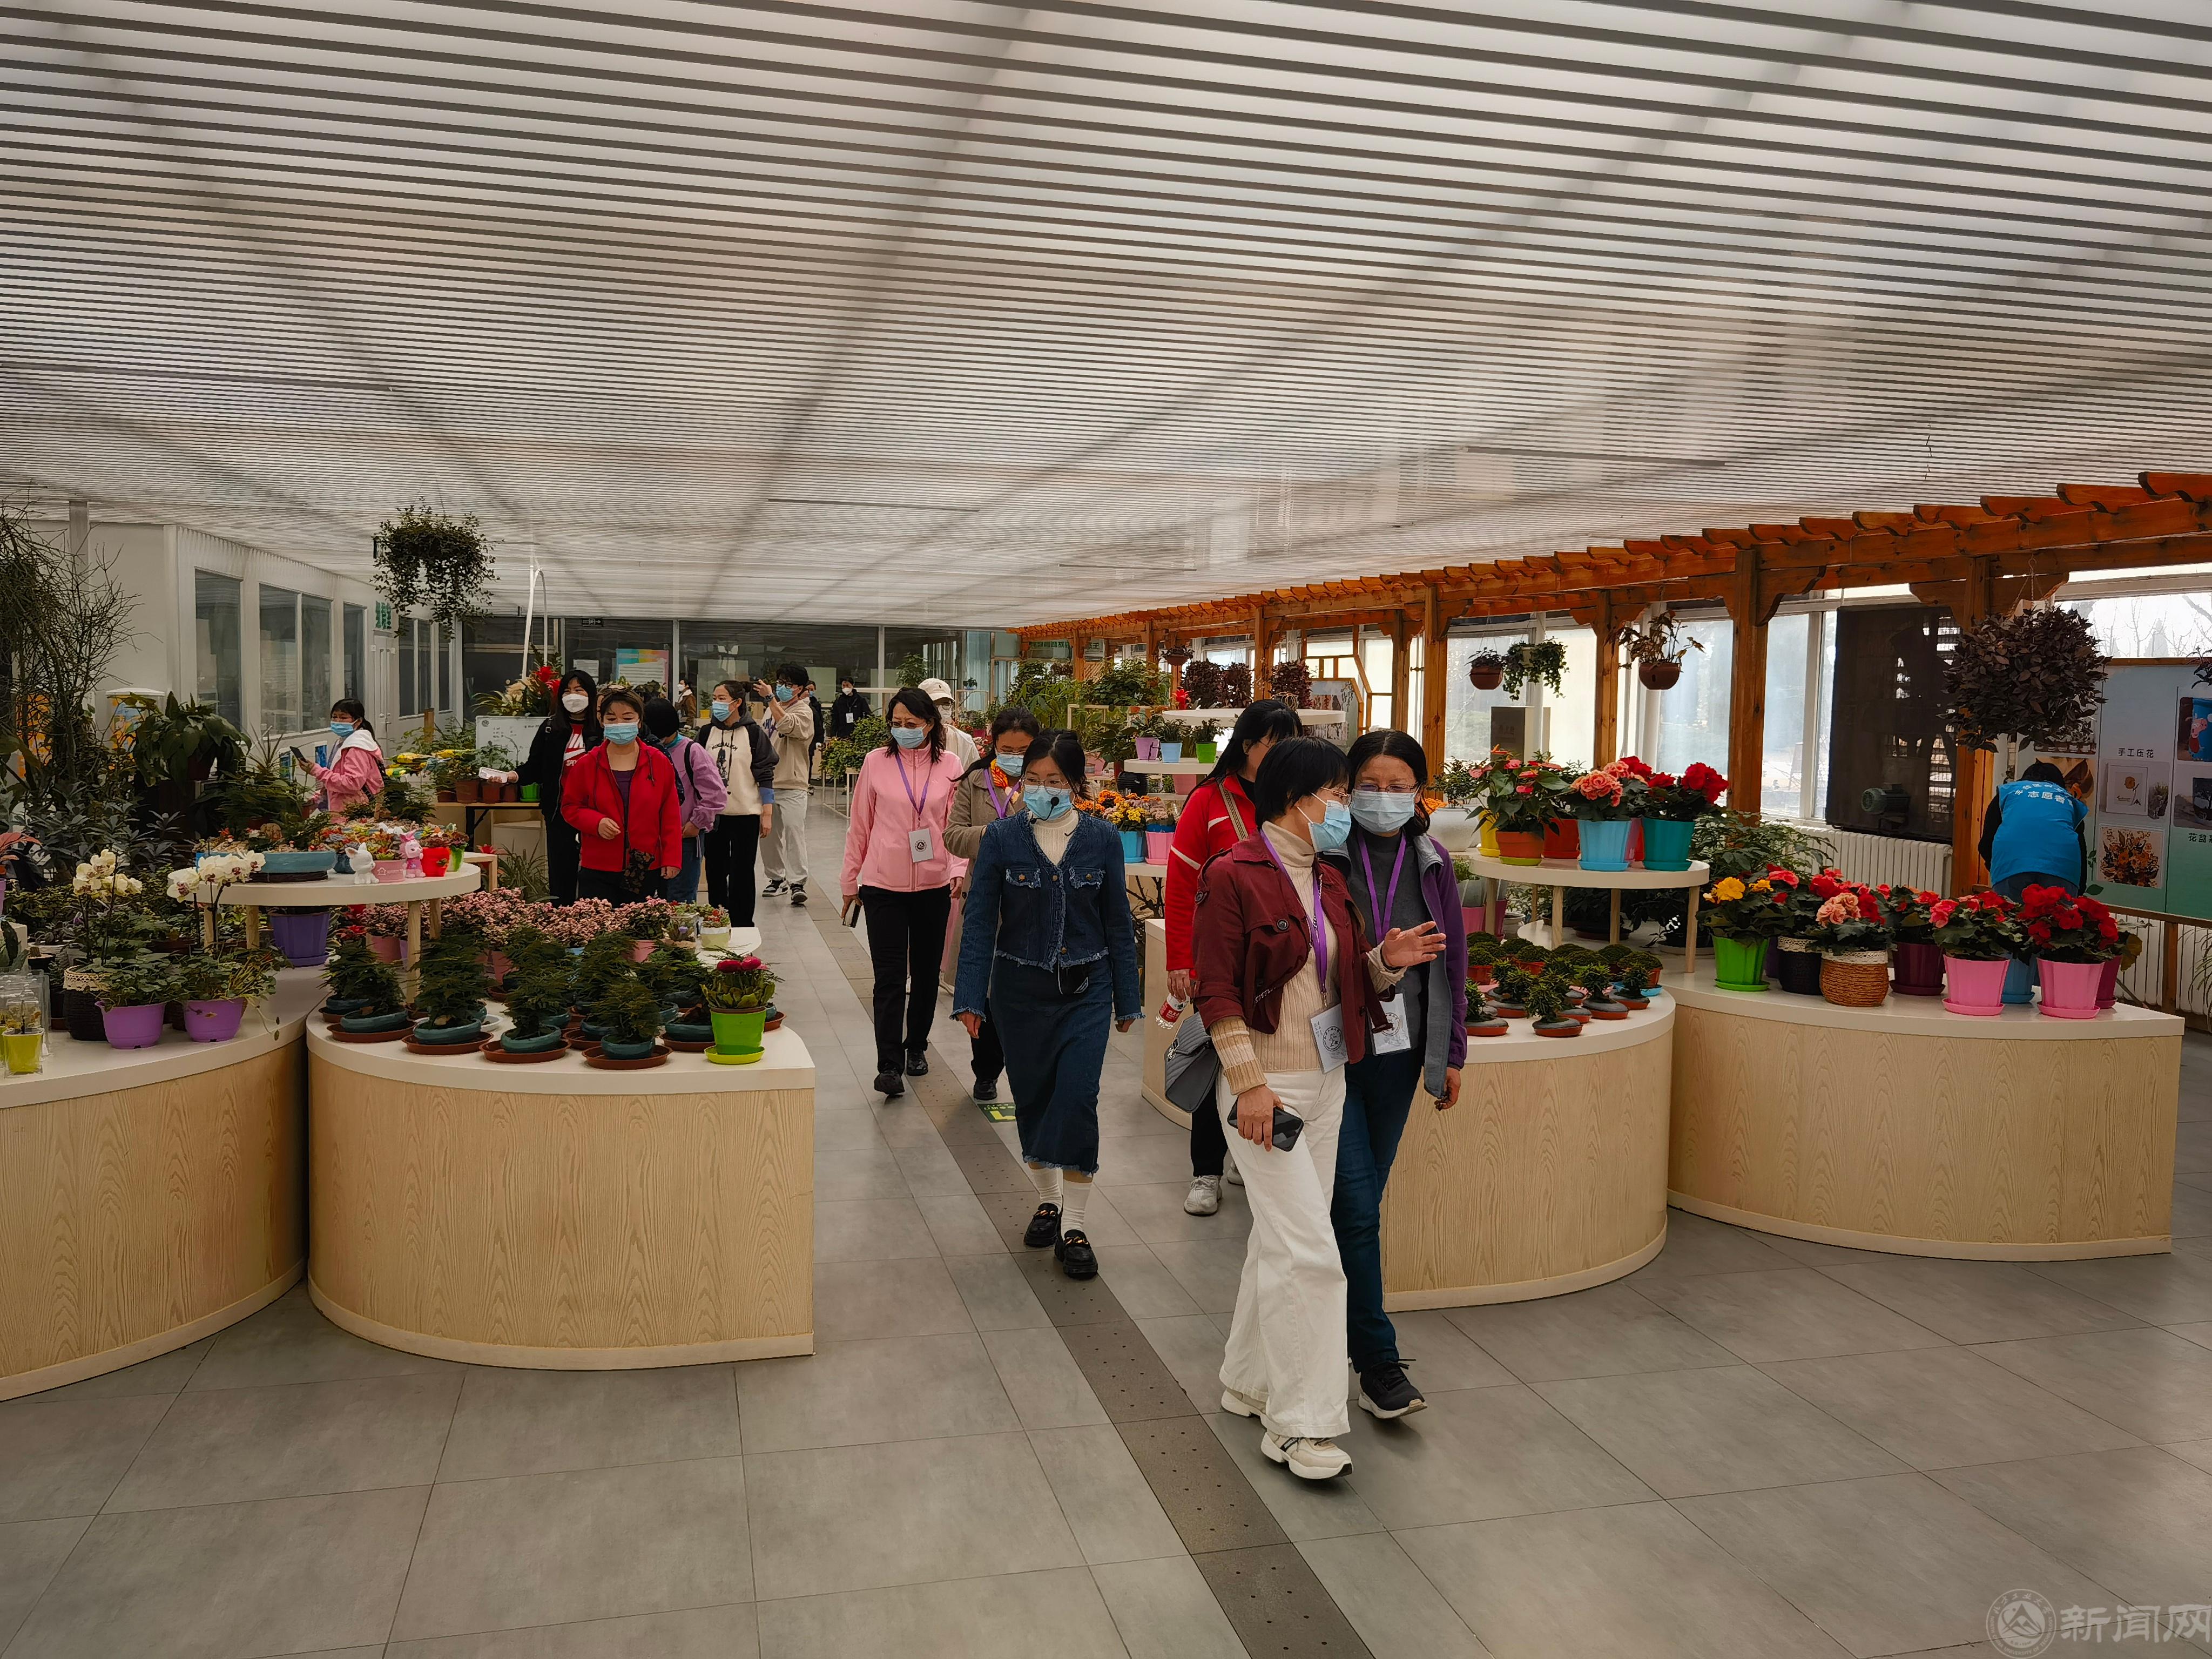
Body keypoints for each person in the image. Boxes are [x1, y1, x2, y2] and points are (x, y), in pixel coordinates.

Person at [1192, 737, 1444, 1480]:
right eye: (1335, 793)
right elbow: (1216, 991)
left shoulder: (1327, 877)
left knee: (1280, 1243)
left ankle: (1247, 1382)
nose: (1345, 806)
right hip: (1265, 1091)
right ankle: (1300, 1426)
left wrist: (1384, 962)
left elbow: (1337, 984)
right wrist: (1248, 1085)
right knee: (1311, 1253)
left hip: (1328, 1083)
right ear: (1295, 799)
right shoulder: (1232, 874)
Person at [955, 728, 1140, 1279]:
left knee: (1078, 1097)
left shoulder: (1102, 838)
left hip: (1087, 988)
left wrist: (1127, 998)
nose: (1041, 789)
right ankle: (1048, 1201)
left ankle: (1075, 1226)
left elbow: (1117, 922)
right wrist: (971, 997)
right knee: (1033, 1097)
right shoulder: (1001, 838)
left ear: (1076, 783)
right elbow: (980, 921)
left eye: (1054, 780)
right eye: (1032, 779)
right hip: (1018, 992)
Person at [1321, 730, 1467, 1420]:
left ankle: (1325, 1326)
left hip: (1400, 1056)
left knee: (1357, 1205)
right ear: (1346, 789)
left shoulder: (1433, 861)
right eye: (1369, 786)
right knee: (1354, 1208)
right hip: (1331, 1050)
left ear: (1419, 792)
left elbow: (1454, 963)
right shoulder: (1325, 855)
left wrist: (1452, 1054)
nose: (1384, 798)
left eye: (1398, 786)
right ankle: (1376, 1360)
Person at [1165, 698, 1303, 1215]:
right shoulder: (1209, 799)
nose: (1286, 754)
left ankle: (1248, 1157)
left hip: (1279, 960)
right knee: (1218, 1059)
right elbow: (1182, 883)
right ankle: (1205, 1172)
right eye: (1276, 743)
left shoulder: (1295, 799)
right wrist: (1181, 959)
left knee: (1263, 1063)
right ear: (1247, 745)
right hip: (1220, 956)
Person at [840, 688, 968, 1097]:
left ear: (929, 724)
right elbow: (860, 824)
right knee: (890, 977)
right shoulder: (875, 762)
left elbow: (955, 825)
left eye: (911, 724)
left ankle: (917, 1047)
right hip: (883, 886)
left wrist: (958, 868)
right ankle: (889, 1065)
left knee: (927, 974)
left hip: (934, 886)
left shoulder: (950, 765)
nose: (903, 730)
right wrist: (850, 880)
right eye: (896, 723)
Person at [945, 707, 1044, 1102]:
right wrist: (995, 834)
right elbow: (953, 836)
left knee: (1025, 989)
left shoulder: (1049, 783)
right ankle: (986, 1071)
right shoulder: (975, 781)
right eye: (1007, 749)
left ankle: (1026, 1070)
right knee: (984, 989)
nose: (1015, 757)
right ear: (993, 745)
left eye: (1023, 750)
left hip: (1035, 900)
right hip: (986, 897)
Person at [560, 686, 682, 905]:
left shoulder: (658, 762)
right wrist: (596, 822)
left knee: (642, 925)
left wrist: (672, 858)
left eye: (627, 718)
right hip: (598, 866)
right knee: (600, 925)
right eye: (611, 719)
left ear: (639, 721)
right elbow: (570, 807)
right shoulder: (587, 764)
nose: (619, 724)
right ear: (601, 721)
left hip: (644, 865)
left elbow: (670, 814)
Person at [510, 670, 602, 905]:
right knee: (561, 875)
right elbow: (535, 767)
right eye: (567, 691)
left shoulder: (603, 729)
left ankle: (596, 916)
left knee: (596, 875)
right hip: (560, 812)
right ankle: (562, 917)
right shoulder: (551, 728)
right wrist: (514, 776)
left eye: (579, 690)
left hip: (598, 814)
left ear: (591, 694)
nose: (573, 696)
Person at [700, 679, 775, 923]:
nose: (716, 703)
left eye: (721, 699)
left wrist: (767, 813)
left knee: (742, 872)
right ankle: (719, 920)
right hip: (714, 817)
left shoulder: (753, 733)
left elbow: (765, 774)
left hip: (746, 814)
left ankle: (743, 923)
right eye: (715, 698)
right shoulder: (706, 733)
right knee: (715, 871)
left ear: (737, 703)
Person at [643, 696, 725, 902]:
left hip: (684, 837)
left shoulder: (692, 751)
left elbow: (716, 794)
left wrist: (696, 823)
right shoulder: (643, 751)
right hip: (650, 839)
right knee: (650, 901)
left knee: (680, 900)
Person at [1979, 759, 2090, 899]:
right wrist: (2079, 889)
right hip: (2061, 871)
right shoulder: (2068, 800)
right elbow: (2080, 849)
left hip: (2011, 868)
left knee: (2012, 913)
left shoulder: (2007, 793)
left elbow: (1986, 843)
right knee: (2057, 913)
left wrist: (1999, 868)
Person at [756, 664, 818, 904]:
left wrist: (771, 699)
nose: (782, 687)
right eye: (780, 682)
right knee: (768, 834)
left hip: (793, 783)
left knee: (794, 832)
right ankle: (776, 878)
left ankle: (797, 882)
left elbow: (788, 726)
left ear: (800, 689)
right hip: (769, 782)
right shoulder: (771, 710)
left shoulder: (804, 711)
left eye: (788, 684)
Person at [296, 699, 383, 815]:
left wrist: (317, 771)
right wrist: (317, 800)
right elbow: (337, 778)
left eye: (343, 718)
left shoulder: (356, 748)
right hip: (345, 809)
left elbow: (352, 783)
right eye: (334, 717)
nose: (337, 721)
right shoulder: (342, 743)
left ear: (358, 721)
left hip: (355, 813)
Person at [919, 677, 981, 767]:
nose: (940, 709)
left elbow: (974, 773)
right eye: (934, 704)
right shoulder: (911, 739)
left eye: (946, 704)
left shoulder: (964, 741)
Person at [829, 674, 871, 741]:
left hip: (857, 734)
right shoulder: (839, 701)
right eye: (844, 686)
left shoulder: (860, 700)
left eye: (847, 685)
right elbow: (835, 718)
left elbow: (868, 715)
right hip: (842, 734)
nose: (846, 688)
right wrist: (833, 734)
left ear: (852, 686)